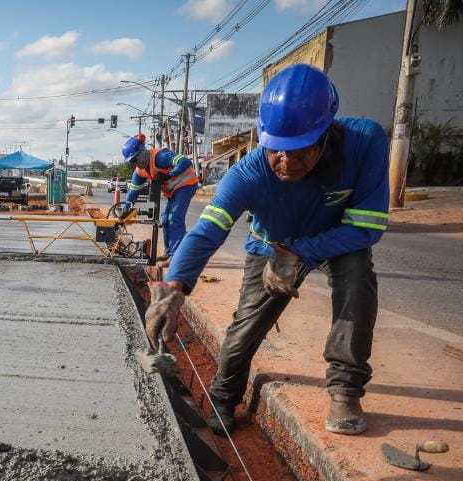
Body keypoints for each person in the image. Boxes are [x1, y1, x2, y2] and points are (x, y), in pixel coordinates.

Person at [145, 63, 389, 437]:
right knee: (247, 325)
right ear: (262, 137)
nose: (286, 162)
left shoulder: (364, 141)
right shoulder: (249, 173)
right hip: (269, 243)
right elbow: (207, 230)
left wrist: (299, 253)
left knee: (357, 280)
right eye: (276, 150)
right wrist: (175, 285)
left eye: (300, 151)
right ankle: (225, 397)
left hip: (339, 238)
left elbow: (367, 227)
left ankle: (345, 389)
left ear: (325, 135)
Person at [119, 135, 198, 263]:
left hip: (186, 185)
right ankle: (169, 252)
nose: (135, 163)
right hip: (172, 191)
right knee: (165, 219)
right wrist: (125, 209)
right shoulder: (139, 172)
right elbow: (133, 192)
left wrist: (167, 175)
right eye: (132, 161)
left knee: (174, 218)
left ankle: (177, 256)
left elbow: (185, 162)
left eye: (135, 159)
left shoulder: (160, 156)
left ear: (143, 151)